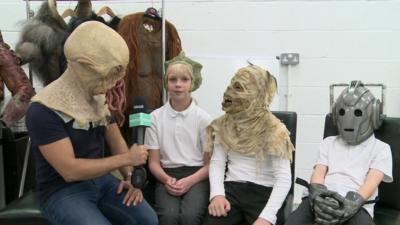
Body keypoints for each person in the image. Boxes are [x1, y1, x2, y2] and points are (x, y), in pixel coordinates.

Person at [25, 21, 158, 225]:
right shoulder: (43, 110)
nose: (114, 83)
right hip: (62, 190)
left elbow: (116, 141)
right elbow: (70, 170)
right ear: (84, 65)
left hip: (100, 181)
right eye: (108, 74)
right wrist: (125, 159)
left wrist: (130, 176)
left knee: (147, 219)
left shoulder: (97, 98)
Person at [284, 81, 393, 225]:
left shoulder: (381, 148)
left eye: (358, 113)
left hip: (356, 204)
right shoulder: (328, 142)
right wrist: (317, 194)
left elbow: (371, 182)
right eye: (342, 113)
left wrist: (352, 204)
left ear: (373, 115)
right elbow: (319, 172)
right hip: (322, 198)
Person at [203, 65, 294, 225]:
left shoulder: (275, 130)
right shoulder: (224, 124)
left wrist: (267, 217)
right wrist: (217, 194)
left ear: (257, 93)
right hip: (232, 189)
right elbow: (218, 162)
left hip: (264, 191)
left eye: (239, 88)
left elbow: (284, 178)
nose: (230, 92)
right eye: (232, 85)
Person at [145, 52, 211, 225]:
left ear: (192, 83)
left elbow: (209, 164)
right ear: (167, 83)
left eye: (184, 80)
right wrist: (168, 180)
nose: (178, 84)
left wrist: (189, 181)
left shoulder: (204, 119)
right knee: (168, 217)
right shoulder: (155, 118)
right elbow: (153, 162)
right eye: (173, 79)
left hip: (196, 175)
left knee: (190, 217)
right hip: (166, 175)